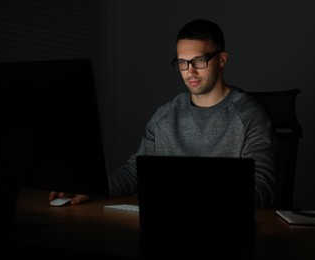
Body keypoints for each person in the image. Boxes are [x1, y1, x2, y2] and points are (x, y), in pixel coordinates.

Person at [49, 19, 277, 208]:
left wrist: (199, 199)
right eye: (182, 63)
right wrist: (93, 189)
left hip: (225, 233)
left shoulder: (250, 116)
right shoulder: (165, 116)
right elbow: (134, 172)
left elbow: (262, 189)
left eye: (199, 60)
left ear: (222, 59)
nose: (190, 72)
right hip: (167, 228)